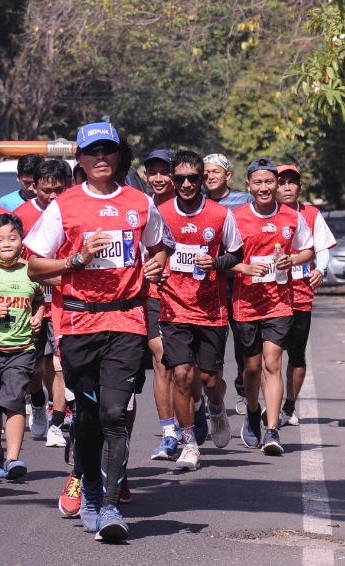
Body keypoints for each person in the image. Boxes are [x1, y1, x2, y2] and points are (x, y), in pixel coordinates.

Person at [25, 122, 168, 542]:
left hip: (126, 320)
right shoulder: (64, 206)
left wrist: (156, 262)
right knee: (87, 417)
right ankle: (88, 490)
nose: (101, 158)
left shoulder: (140, 203)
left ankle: (109, 507)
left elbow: (160, 245)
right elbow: (34, 265)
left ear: (120, 156)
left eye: (108, 150)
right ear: (81, 160)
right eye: (92, 152)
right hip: (77, 322)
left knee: (114, 414)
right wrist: (78, 259)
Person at [156, 150, 243, 470]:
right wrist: (157, 270)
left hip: (211, 309)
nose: (187, 184)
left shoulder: (220, 215)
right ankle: (189, 444)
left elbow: (236, 254)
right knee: (180, 375)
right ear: (173, 180)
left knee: (208, 380)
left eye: (194, 178)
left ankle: (216, 408)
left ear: (202, 179)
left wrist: (216, 263)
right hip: (174, 307)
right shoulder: (161, 213)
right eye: (180, 179)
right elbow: (150, 253)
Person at [232, 158, 314, 456]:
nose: (265, 188)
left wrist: (292, 260)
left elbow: (308, 249)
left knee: (272, 362)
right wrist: (243, 268)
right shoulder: (237, 217)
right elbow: (223, 259)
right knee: (252, 368)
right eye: (259, 182)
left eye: (270, 182)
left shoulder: (292, 217)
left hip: (280, 301)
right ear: (249, 186)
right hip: (246, 303)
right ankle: (253, 413)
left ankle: (272, 429)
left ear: (277, 185)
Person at [0, 213, 45, 480]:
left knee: (14, 400)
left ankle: (13, 458)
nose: (6, 243)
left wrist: (38, 316)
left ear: (22, 240)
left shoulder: (31, 270)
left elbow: (39, 299)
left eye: (13, 238)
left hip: (22, 348)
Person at [14, 159, 70, 448]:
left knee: (60, 365)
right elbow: (13, 255)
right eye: (46, 190)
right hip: (31, 303)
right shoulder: (21, 215)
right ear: (33, 186)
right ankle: (37, 400)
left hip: (64, 303)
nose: (52, 196)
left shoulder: (72, 210)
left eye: (58, 189)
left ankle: (57, 423)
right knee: (34, 370)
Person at [275, 164, 336, 426]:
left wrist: (320, 269)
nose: (287, 187)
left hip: (300, 294)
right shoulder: (265, 216)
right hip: (270, 295)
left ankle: (289, 406)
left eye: (292, 182)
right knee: (269, 353)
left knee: (296, 354)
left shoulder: (311, 214)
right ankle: (268, 402)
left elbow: (321, 247)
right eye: (281, 182)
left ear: (299, 187)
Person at [203, 153, 254, 416]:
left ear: (228, 175)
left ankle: (244, 392)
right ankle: (213, 395)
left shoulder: (244, 201)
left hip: (241, 283)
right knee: (214, 345)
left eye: (216, 171)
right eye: (206, 172)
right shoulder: (197, 203)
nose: (210, 176)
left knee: (244, 345)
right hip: (209, 285)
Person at [142, 149, 181, 461]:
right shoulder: (139, 207)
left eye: (163, 172)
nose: (158, 178)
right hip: (154, 295)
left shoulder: (190, 207)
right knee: (160, 357)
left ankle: (200, 406)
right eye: (152, 172)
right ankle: (169, 433)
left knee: (193, 373)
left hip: (192, 297)